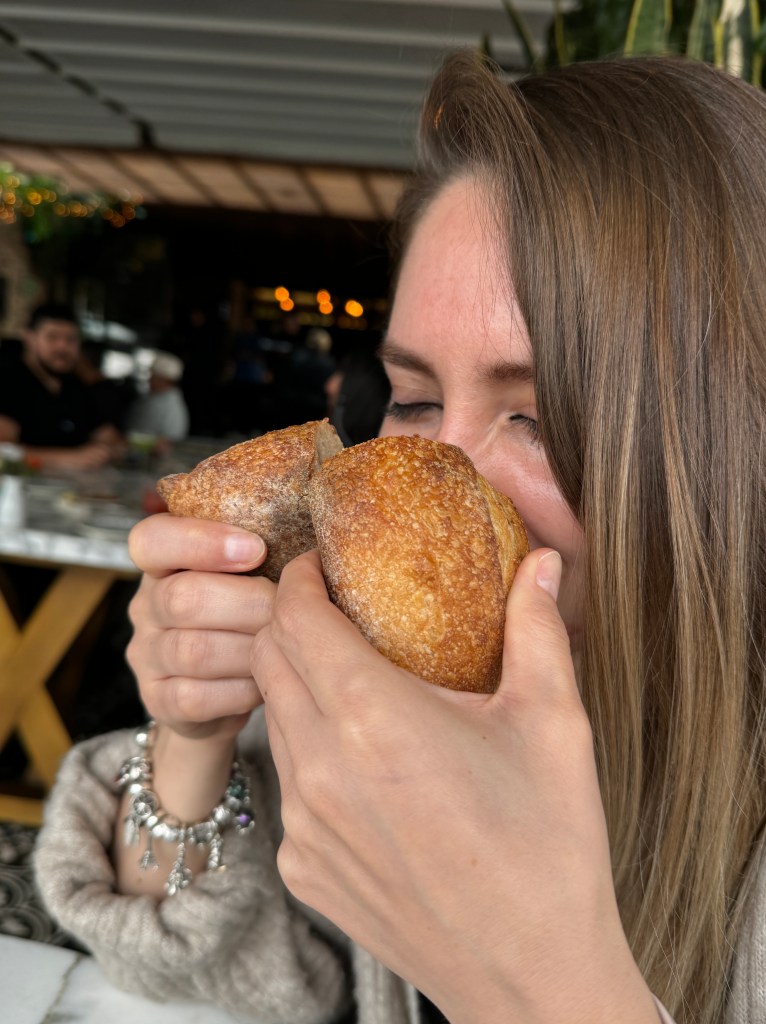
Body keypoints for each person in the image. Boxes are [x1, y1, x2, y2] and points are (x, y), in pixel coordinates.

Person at [34, 52, 766, 1024]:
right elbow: (191, 975)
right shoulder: (374, 712)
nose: (428, 477)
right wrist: (194, 737)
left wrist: (534, 977)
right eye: (413, 400)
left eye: (542, 417)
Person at [0, 303, 124, 471]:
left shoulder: (75, 387)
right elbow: (3, 450)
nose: (62, 347)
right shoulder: (8, 381)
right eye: (52, 337)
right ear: (29, 338)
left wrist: (111, 449)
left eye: (71, 339)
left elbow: (110, 437)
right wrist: (69, 458)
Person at [124, 351, 190, 443]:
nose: (149, 379)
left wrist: (128, 440)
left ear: (165, 379)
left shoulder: (172, 407)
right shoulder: (150, 397)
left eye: (154, 376)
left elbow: (168, 443)